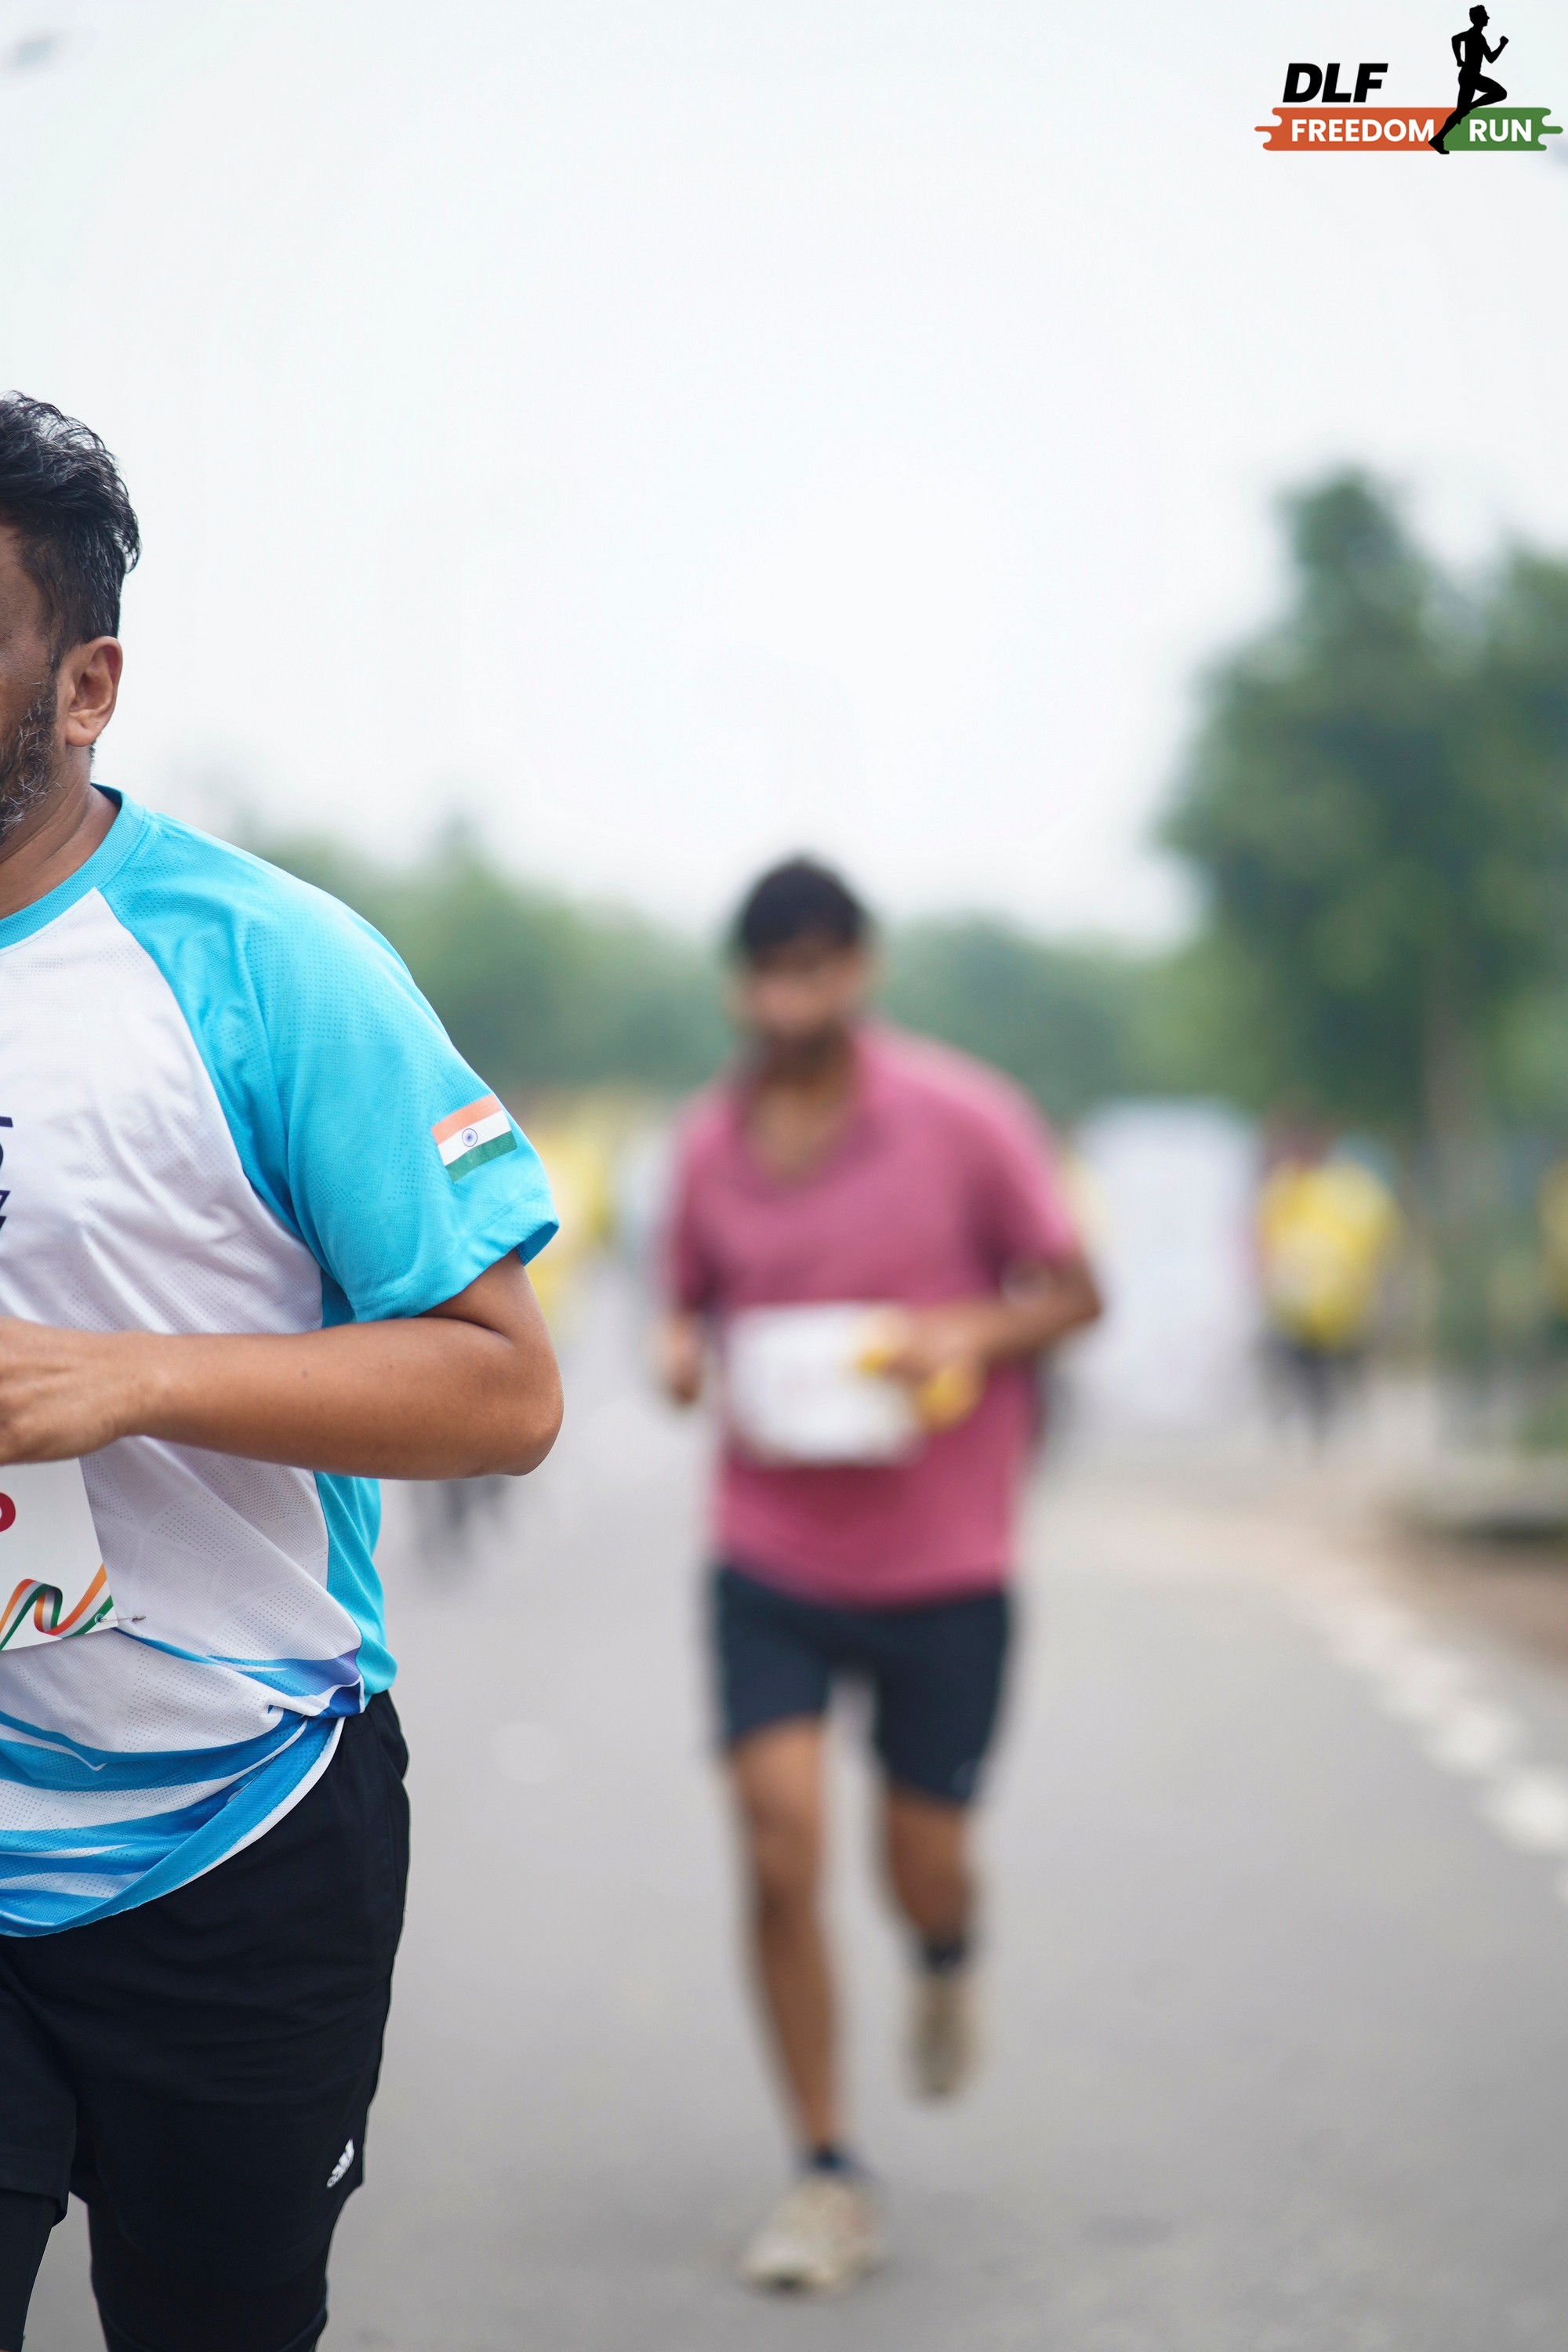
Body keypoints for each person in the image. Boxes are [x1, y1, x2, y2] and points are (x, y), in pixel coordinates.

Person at [0, 395, 563, 2352]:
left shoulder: (267, 965)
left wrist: (131, 1384)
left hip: (233, 1838)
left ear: (86, 685)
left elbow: (504, 1393)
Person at [658, 858, 1102, 2293]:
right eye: (765, 974)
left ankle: (946, 1953)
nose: (788, 1001)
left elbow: (1076, 1292)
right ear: (741, 985)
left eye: (813, 970)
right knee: (778, 1839)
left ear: (859, 971)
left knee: (922, 1863)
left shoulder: (966, 1118)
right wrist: (677, 1354)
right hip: (769, 1551)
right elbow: (682, 1307)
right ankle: (828, 2170)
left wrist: (963, 1332)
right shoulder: (708, 1145)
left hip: (943, 1562)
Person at [1431, 5, 1508, 151]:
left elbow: (1489, 57)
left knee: (1460, 111)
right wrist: (1502, 45)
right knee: (1500, 93)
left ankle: (1438, 138)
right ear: (1478, 18)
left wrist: (1459, 59)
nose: (1488, 18)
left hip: (1471, 76)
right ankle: (1469, 108)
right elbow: (1456, 39)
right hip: (1470, 76)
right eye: (1485, 15)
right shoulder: (1474, 35)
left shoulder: (1478, 36)